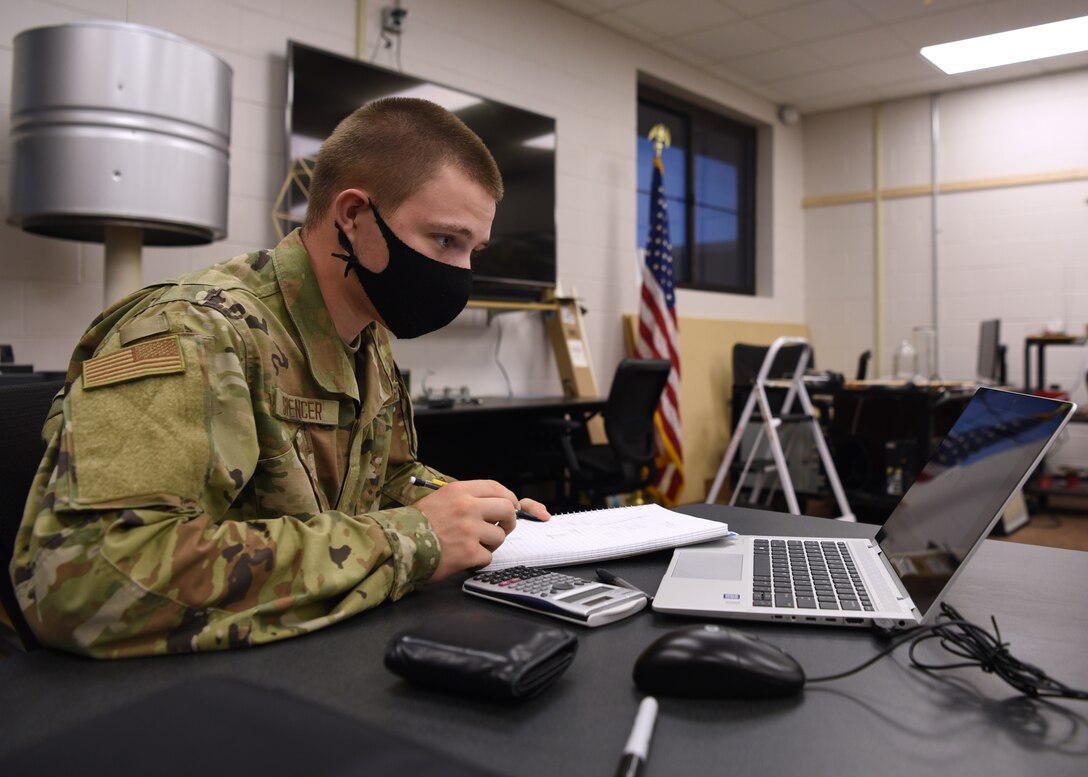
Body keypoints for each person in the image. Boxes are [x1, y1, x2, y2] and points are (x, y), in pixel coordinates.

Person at [9, 98, 550, 658]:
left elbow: (381, 477)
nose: (461, 273)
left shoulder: (365, 331)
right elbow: (85, 577)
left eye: (473, 250)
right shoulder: (196, 333)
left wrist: (468, 508)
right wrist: (414, 538)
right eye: (445, 240)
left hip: (320, 658)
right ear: (354, 216)